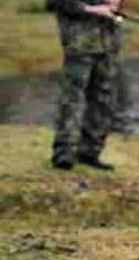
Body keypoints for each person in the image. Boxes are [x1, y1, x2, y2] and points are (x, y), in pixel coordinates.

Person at [47, 0, 126, 170]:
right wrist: (92, 9)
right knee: (72, 98)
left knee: (104, 99)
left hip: (108, 44)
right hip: (79, 44)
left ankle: (90, 151)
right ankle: (64, 153)